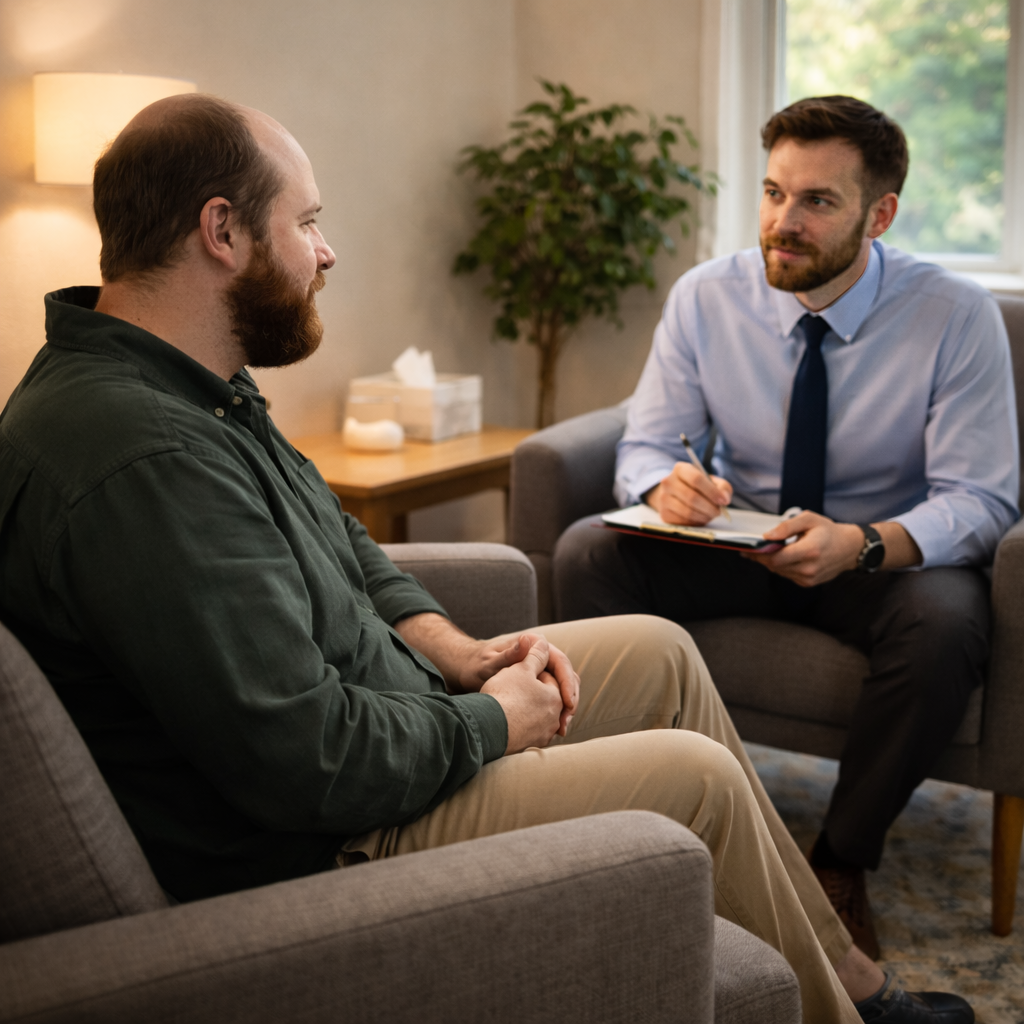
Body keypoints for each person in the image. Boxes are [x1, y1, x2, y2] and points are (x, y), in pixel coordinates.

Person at [0, 93, 974, 1024]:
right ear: (222, 231)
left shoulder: (200, 388)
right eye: (307, 222)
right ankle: (838, 1012)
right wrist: (492, 719)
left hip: (393, 711)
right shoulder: (143, 458)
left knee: (657, 651)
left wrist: (457, 650)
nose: (327, 250)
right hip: (335, 829)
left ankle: (843, 975)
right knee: (699, 776)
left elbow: (346, 543)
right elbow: (312, 765)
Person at [555, 95, 1019, 965]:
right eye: (772, 194)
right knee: (588, 550)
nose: (782, 223)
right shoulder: (706, 296)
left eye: (817, 202)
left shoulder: (956, 315)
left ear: (879, 214)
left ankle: (840, 864)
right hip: (745, 542)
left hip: (883, 557)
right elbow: (648, 441)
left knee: (951, 622)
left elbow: (983, 497)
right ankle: (644, 817)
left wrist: (866, 542)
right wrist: (667, 487)